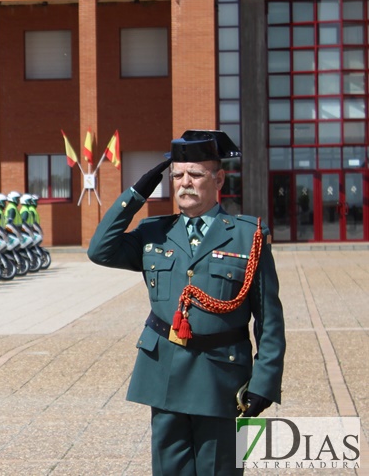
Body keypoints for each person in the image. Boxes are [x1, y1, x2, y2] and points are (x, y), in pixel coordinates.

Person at [87, 130, 285, 475]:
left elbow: (268, 319)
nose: (184, 183)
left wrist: (264, 382)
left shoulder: (246, 235)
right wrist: (138, 191)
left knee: (219, 469)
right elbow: (99, 250)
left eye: (195, 174)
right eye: (177, 175)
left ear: (218, 178)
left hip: (220, 376)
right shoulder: (155, 233)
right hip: (164, 373)